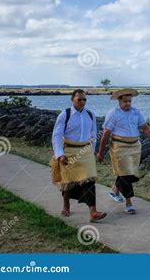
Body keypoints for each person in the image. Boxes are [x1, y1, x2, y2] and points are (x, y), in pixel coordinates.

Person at [97, 88, 150, 214]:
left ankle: (115, 189)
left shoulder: (136, 112)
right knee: (126, 175)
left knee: (130, 172)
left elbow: (144, 127)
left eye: (130, 101)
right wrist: (101, 152)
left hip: (135, 146)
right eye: (125, 101)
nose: (128, 104)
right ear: (119, 101)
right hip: (119, 146)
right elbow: (106, 133)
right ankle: (128, 203)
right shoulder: (113, 113)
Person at [50, 89, 107, 222]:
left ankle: (93, 211)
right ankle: (66, 205)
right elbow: (56, 136)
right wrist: (60, 154)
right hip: (69, 151)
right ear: (72, 100)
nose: (82, 102)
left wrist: (92, 152)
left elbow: (93, 134)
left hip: (86, 151)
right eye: (79, 99)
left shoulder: (90, 114)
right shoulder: (65, 114)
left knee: (90, 180)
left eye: (84, 99)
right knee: (68, 182)